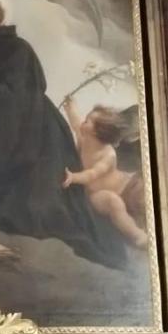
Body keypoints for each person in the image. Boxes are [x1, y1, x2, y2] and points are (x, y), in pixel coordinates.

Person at [0, 0, 128, 269]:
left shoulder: (16, 49)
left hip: (37, 140)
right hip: (11, 141)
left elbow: (11, 96)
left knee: (37, 214)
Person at [62, 100, 148, 250]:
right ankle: (136, 235)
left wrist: (73, 177)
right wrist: (70, 109)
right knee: (113, 202)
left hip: (126, 186)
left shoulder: (107, 155)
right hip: (97, 195)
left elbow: (91, 174)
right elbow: (76, 125)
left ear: (95, 131)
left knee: (144, 193)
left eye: (87, 121)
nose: (83, 122)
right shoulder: (84, 140)